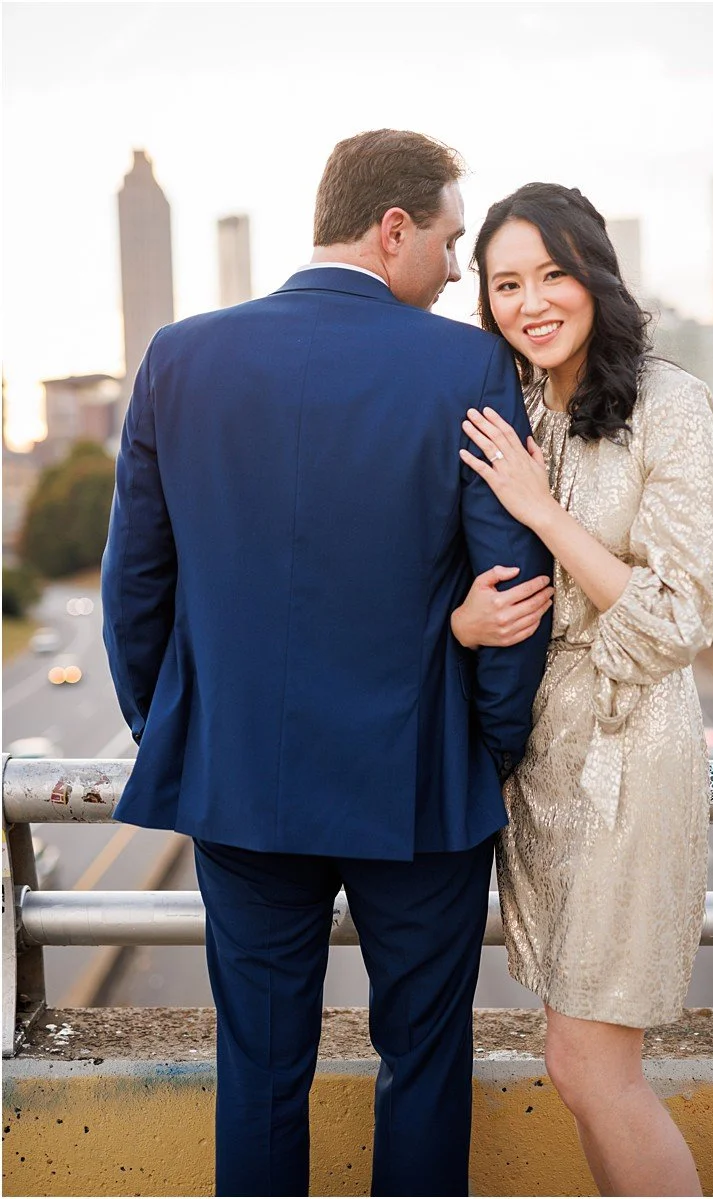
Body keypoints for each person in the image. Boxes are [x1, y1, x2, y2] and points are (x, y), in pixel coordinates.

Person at [101, 130, 552, 1196]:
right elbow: (510, 589)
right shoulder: (466, 364)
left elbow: (134, 590)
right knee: (425, 1063)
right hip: (422, 787)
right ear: (392, 227)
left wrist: (186, 732)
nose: (455, 272)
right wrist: (486, 744)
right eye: (447, 241)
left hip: (242, 781)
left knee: (257, 1071)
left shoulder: (179, 355)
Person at [450, 182, 713, 1196]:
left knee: (595, 1064)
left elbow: (676, 618)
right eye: (505, 282)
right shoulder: (512, 408)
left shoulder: (671, 403)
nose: (531, 301)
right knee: (575, 1066)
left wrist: (539, 507)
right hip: (543, 759)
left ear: (596, 275)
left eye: (552, 273)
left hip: (629, 745)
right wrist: (461, 622)